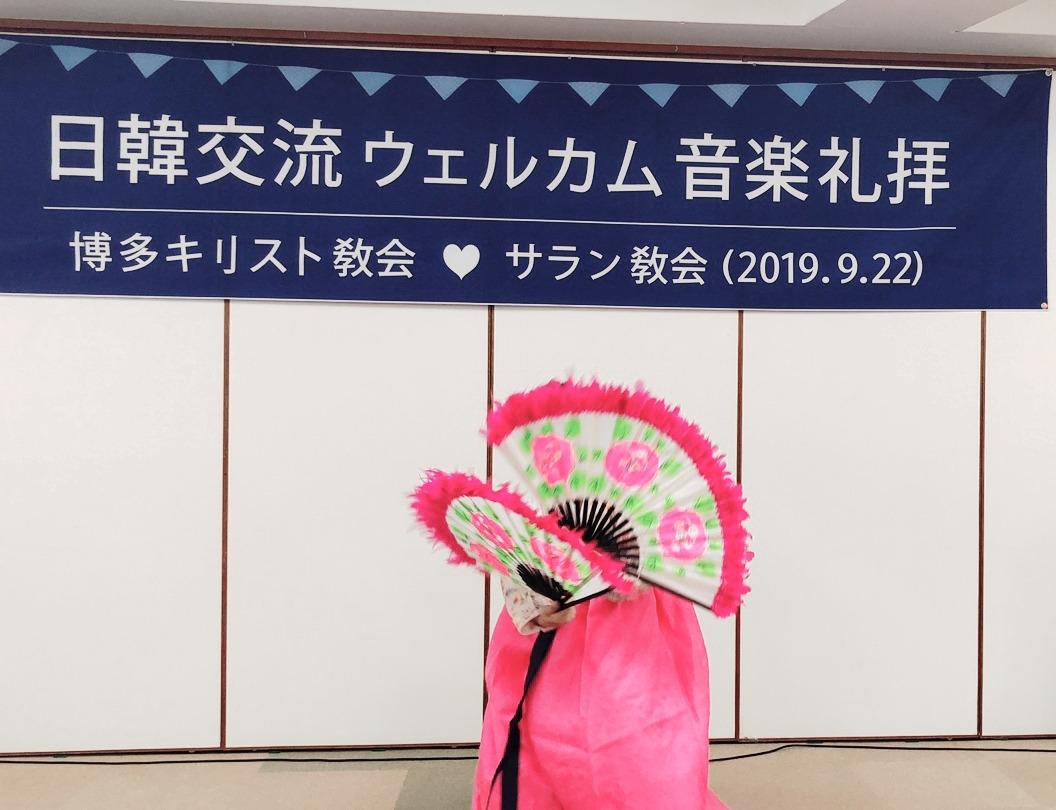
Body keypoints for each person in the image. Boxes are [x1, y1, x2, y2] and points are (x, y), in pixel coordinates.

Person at [472, 577, 730, 809]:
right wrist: (524, 596)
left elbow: (686, 544)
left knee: (640, 745)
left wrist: (647, 565)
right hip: (551, 604)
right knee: (538, 731)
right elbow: (507, 543)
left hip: (637, 628)